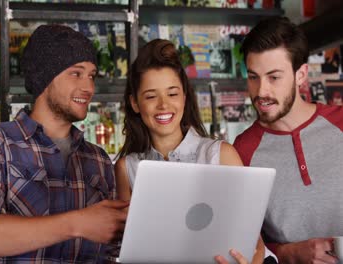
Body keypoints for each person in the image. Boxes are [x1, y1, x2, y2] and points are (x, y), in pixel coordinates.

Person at [0, 24, 128, 263]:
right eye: (76, 73)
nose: (89, 87)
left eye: (91, 75)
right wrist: (78, 223)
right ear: (44, 77)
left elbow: (112, 252)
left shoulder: (98, 160)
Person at [114, 39, 273, 264]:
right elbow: (128, 250)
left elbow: (254, 242)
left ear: (184, 97)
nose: (163, 105)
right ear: (135, 103)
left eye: (172, 93)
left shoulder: (220, 155)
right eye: (151, 96)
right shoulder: (127, 168)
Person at [233, 17, 343, 264]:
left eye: (274, 77)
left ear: (301, 75)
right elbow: (244, 240)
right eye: (253, 77)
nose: (261, 91)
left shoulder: (341, 123)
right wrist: (288, 253)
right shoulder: (241, 150)